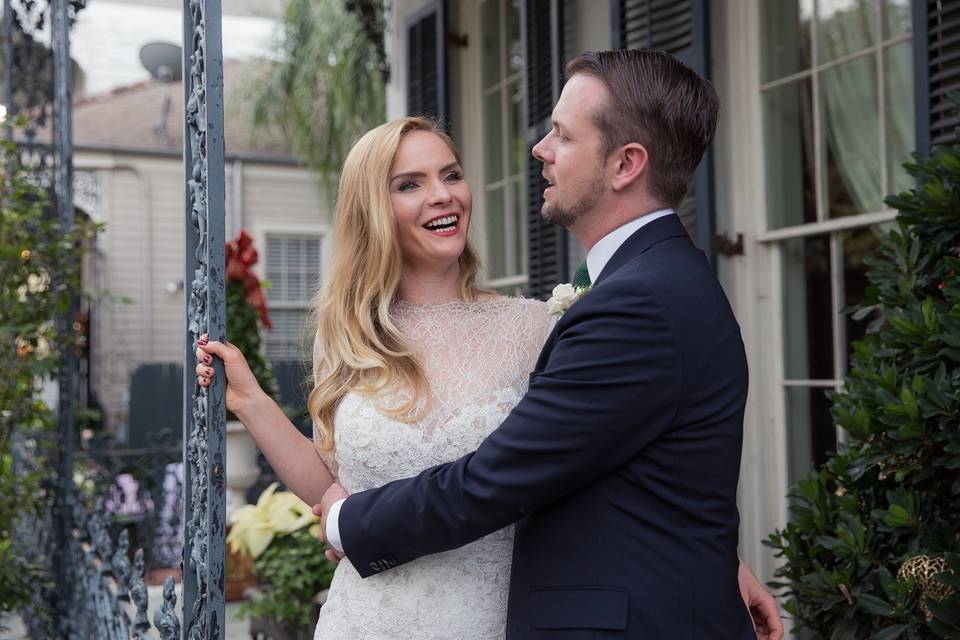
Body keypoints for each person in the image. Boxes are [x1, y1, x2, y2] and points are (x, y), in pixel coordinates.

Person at [316, 50, 784, 639]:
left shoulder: (638, 304)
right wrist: (719, 560)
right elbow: (622, 467)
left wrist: (345, 523)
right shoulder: (650, 282)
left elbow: (497, 478)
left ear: (624, 166)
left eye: (561, 135)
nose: (539, 150)